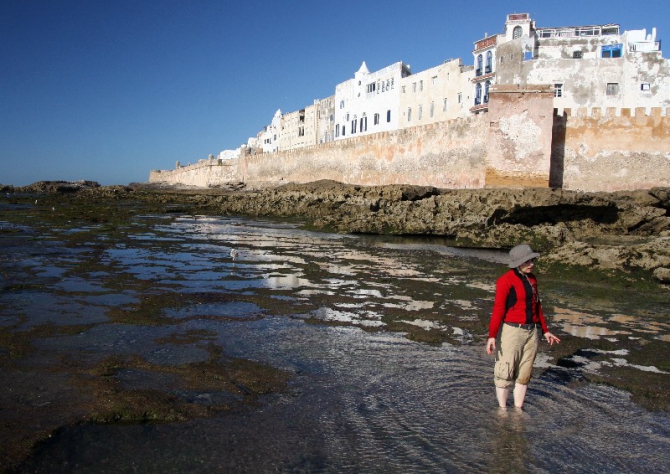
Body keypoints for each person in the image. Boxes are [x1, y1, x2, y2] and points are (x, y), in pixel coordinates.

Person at [486, 244, 560, 409]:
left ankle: (518, 410)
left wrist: (545, 330)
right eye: (527, 261)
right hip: (512, 331)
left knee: (525, 373)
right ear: (517, 263)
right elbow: (498, 309)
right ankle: (503, 410)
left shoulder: (532, 279)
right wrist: (492, 336)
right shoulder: (505, 281)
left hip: (532, 331)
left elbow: (537, 306)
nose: (531, 264)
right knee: (505, 371)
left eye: (532, 260)